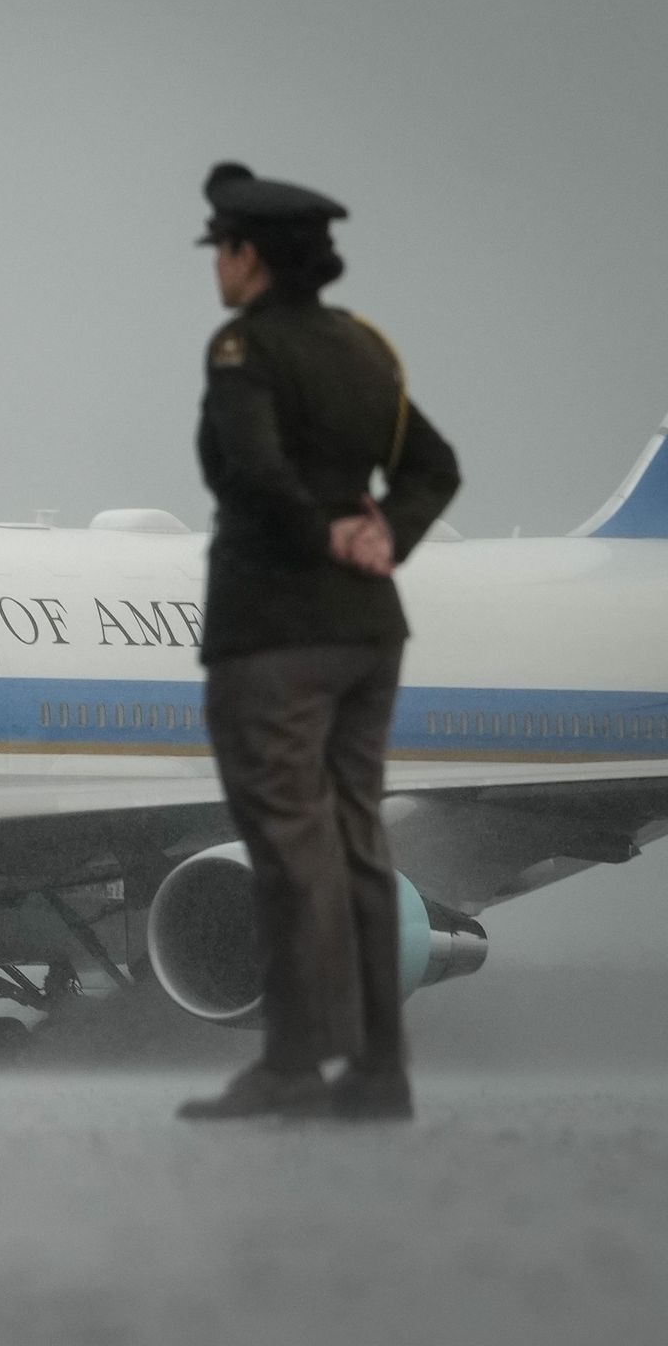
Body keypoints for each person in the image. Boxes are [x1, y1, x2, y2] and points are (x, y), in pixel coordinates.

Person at [177, 162, 462, 1122]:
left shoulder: (244, 352)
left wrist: (316, 536)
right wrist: (383, 535)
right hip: (368, 632)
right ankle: (379, 1072)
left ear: (253, 259)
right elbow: (435, 468)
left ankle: (292, 1069)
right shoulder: (363, 352)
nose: (218, 265)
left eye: (224, 248)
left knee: (288, 851)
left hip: (277, 630)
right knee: (354, 845)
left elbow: (252, 473)